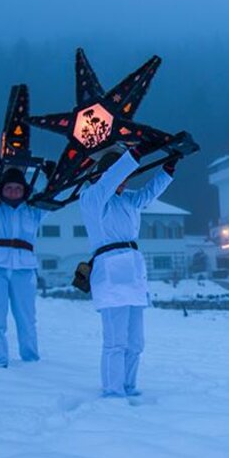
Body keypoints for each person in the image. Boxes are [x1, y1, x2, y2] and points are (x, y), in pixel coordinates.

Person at [78, 149, 176, 398]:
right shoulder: (92, 198)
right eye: (119, 176)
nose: (123, 181)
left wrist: (168, 168)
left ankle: (129, 386)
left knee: (135, 343)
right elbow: (108, 181)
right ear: (104, 175)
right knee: (115, 341)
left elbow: (149, 193)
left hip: (133, 273)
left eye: (126, 177)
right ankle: (112, 390)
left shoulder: (128, 200)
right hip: (110, 274)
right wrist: (132, 154)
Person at [0, 155, 49, 368]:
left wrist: (52, 178)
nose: (13, 191)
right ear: (1, 189)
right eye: (9, 188)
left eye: (18, 188)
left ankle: (31, 359)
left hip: (24, 269)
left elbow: (54, 199)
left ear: (25, 190)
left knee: (26, 318)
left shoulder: (34, 211)